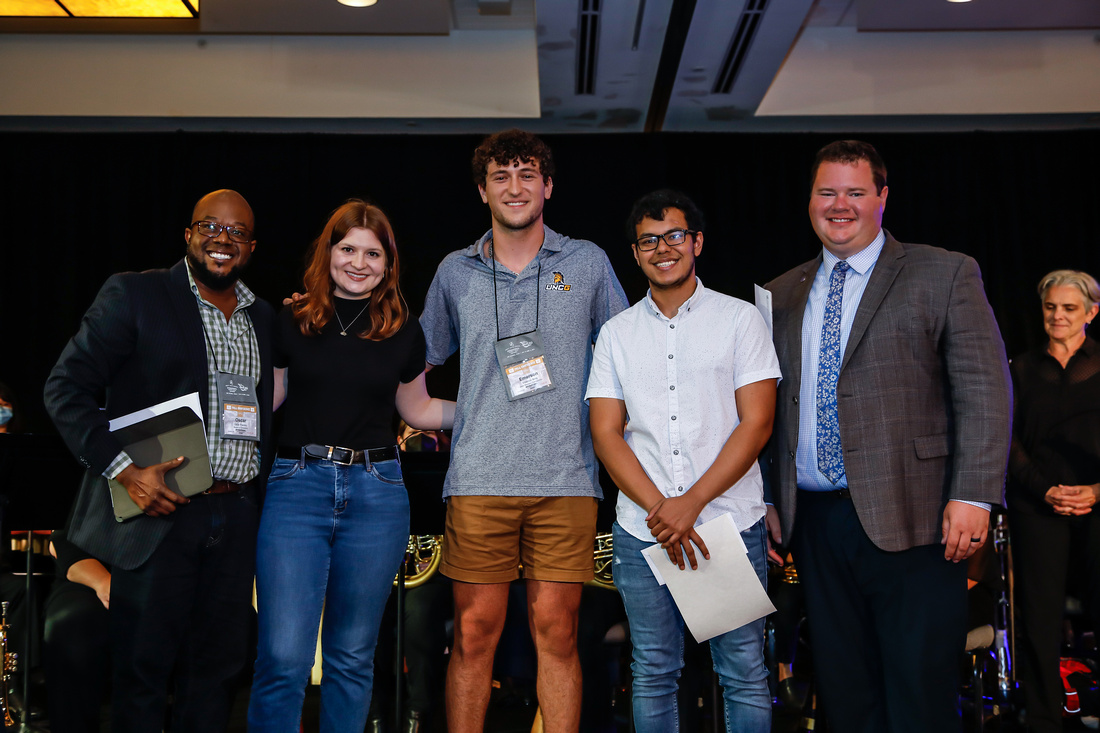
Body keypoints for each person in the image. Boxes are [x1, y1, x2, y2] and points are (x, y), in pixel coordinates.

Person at [764, 140, 1012, 733]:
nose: (839, 204)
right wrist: (770, 496)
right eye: (827, 192)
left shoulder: (944, 270)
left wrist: (974, 495)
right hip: (816, 525)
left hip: (920, 516)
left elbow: (985, 389)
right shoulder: (779, 292)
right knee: (847, 692)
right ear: (810, 202)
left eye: (855, 191)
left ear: (882, 198)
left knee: (919, 691)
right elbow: (767, 405)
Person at [420, 129, 628, 733]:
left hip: (566, 480)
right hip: (479, 479)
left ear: (548, 186)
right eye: (502, 176)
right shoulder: (455, 271)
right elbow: (418, 361)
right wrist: (468, 415)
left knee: (558, 635)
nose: (516, 187)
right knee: (475, 635)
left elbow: (625, 355)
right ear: (482, 189)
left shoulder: (586, 262)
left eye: (528, 174)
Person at [43, 189, 275, 732]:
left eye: (237, 232)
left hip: (236, 514)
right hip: (159, 511)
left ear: (252, 246)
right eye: (210, 226)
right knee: (142, 676)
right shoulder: (136, 294)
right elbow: (64, 389)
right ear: (189, 235)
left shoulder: (261, 316)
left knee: (215, 675)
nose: (223, 238)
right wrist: (123, 470)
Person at [247, 200, 454, 733]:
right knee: (284, 659)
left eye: (372, 253)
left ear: (388, 263)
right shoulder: (291, 319)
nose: (358, 263)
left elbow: (417, 410)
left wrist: (491, 407)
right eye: (347, 249)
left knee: (352, 658)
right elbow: (264, 400)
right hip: (296, 487)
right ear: (328, 252)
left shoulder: (403, 328)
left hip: (378, 492)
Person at [586, 189, 780, 731]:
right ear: (635, 252)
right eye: (649, 240)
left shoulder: (740, 320)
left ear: (696, 242)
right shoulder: (616, 334)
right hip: (642, 529)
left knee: (742, 671)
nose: (662, 248)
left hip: (724, 524)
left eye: (674, 235)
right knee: (652, 670)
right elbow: (606, 434)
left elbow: (757, 423)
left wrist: (689, 504)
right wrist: (661, 510)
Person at [1007, 269, 1100, 733]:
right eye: (1050, 307)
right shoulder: (1020, 369)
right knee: (1040, 617)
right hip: (1037, 504)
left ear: (1092, 312)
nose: (1057, 316)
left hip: (1099, 504)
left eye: (1068, 307)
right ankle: (1044, 716)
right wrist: (1044, 488)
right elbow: (1008, 442)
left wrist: (1097, 491)